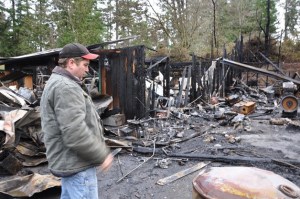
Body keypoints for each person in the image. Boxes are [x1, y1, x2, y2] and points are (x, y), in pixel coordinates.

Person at [40, 43, 113, 199]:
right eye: (85, 65)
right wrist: (101, 155)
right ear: (71, 63)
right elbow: (75, 132)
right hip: (78, 165)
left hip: (72, 163)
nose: (87, 69)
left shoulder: (58, 82)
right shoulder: (66, 87)